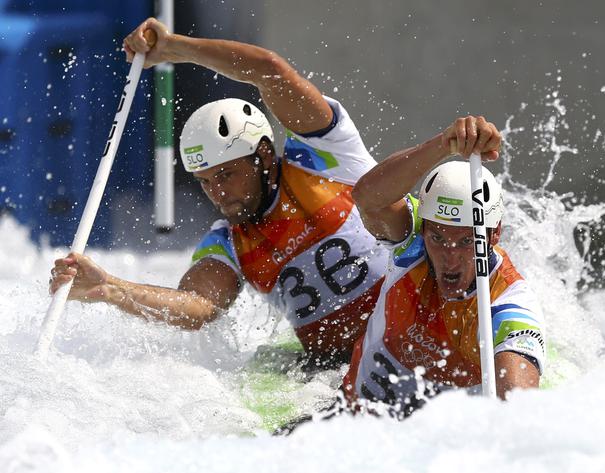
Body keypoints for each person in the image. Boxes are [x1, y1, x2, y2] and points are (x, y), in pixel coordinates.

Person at [49, 17, 388, 367]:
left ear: (264, 155)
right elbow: (197, 306)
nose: (218, 193)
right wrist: (111, 289)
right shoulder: (229, 241)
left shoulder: (325, 156)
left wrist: (175, 48)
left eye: (227, 174)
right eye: (205, 181)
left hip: (417, 332)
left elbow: (268, 69)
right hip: (336, 365)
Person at [341, 115, 546, 417]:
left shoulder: (508, 305)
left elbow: (520, 412)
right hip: (345, 425)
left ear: (495, 235)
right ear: (423, 229)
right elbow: (368, 198)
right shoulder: (412, 246)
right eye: (438, 237)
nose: (449, 258)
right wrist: (444, 144)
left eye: (465, 242)